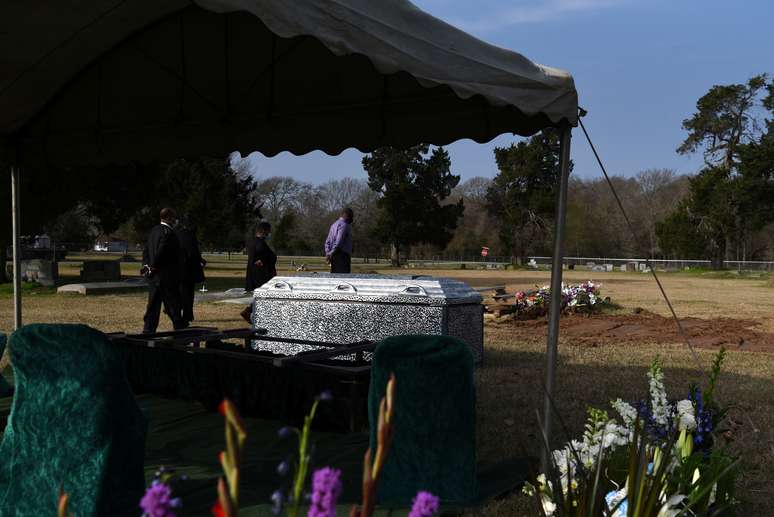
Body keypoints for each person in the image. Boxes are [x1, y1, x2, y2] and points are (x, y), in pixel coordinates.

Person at [142, 208, 186, 333]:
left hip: (154, 276)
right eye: (173, 217)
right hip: (167, 276)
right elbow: (161, 252)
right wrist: (154, 265)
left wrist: (147, 266)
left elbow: (146, 250)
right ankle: (180, 331)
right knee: (173, 306)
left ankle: (148, 331)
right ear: (168, 218)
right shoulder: (169, 233)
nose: (175, 220)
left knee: (153, 307)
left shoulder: (153, 231)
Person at [241, 221, 277, 323]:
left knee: (261, 296)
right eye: (268, 231)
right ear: (263, 231)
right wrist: (266, 259)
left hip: (257, 274)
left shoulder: (252, 241)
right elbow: (263, 257)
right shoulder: (259, 243)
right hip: (260, 275)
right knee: (264, 295)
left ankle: (250, 311)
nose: (269, 234)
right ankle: (250, 312)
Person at [177, 218, 206, 325]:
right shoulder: (190, 236)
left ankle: (179, 311)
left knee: (180, 292)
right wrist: (200, 261)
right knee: (188, 294)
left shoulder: (177, 235)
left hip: (178, 269)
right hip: (188, 270)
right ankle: (187, 314)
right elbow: (193, 253)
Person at [324, 207, 354, 274]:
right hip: (342, 257)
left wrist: (328, 253)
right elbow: (338, 242)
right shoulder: (344, 225)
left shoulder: (334, 225)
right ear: (346, 215)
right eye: (351, 216)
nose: (352, 219)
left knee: (335, 279)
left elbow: (327, 242)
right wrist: (330, 254)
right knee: (344, 280)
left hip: (334, 257)